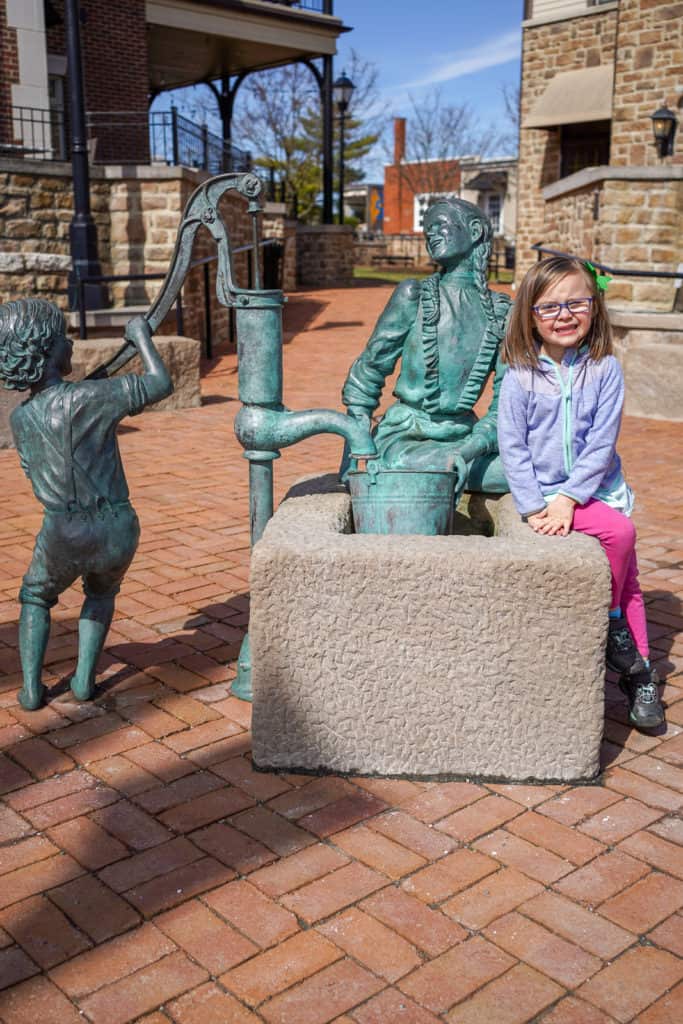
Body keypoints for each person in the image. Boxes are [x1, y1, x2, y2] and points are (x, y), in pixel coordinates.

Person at [497, 255, 664, 730]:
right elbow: (512, 447)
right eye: (549, 307)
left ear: (595, 307)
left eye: (576, 303)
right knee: (622, 539)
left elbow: (601, 443)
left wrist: (572, 498)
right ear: (530, 314)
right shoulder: (519, 375)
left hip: (595, 489)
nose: (564, 315)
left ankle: (636, 669)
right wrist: (535, 505)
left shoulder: (605, 368)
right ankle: (624, 642)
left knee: (625, 562)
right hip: (544, 493)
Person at [0, 300, 172, 710]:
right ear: (45, 350)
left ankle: (30, 689)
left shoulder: (21, 420)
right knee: (100, 593)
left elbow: (33, 471)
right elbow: (159, 383)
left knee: (36, 596)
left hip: (63, 529)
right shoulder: (95, 397)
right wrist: (142, 338)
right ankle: (82, 680)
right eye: (62, 337)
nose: (70, 342)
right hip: (118, 525)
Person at [341, 198, 511, 492]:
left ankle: (445, 467)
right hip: (405, 438)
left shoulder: (503, 312)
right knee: (431, 463)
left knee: (521, 472)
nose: (430, 235)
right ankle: (430, 468)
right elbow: (367, 374)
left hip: (467, 440)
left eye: (440, 225)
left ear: (473, 231)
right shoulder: (414, 295)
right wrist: (352, 457)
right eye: (426, 229)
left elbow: (505, 404)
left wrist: (472, 447)